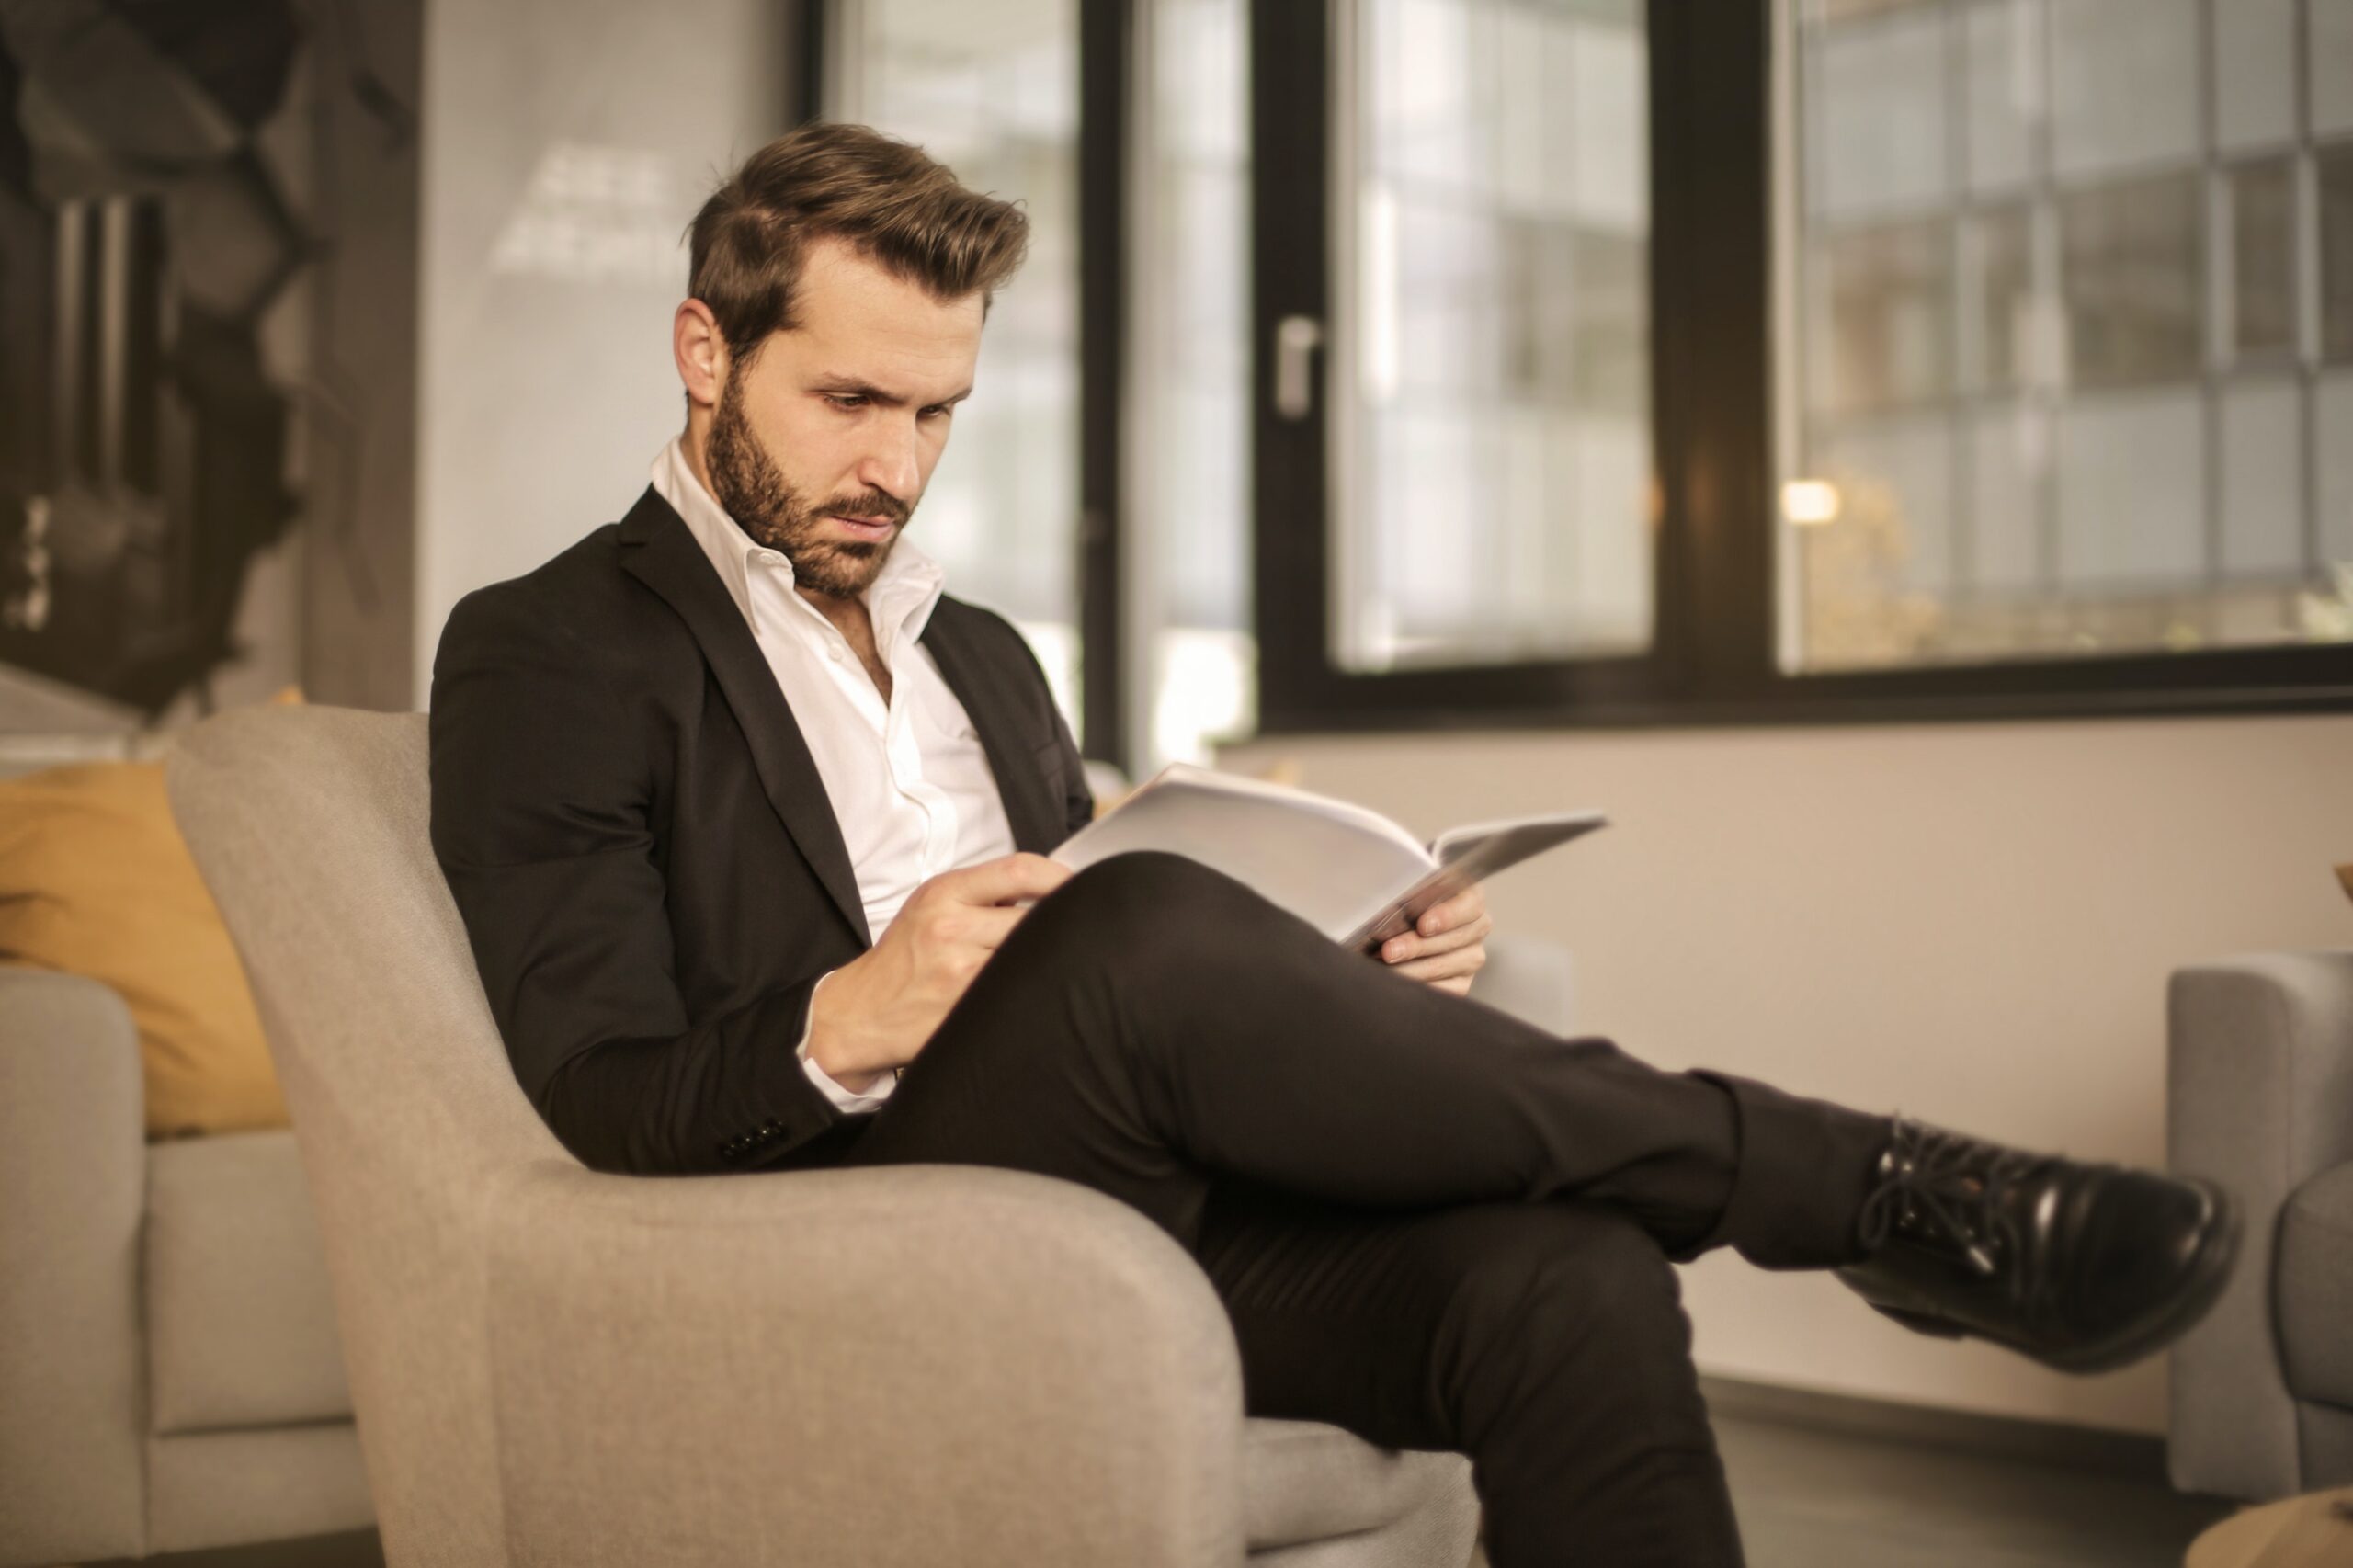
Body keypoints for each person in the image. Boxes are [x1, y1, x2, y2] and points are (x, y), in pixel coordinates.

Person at [426, 122, 2239, 1568]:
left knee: (1566, 1278)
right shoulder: (553, 645)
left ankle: (1834, 1197)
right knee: (1133, 926)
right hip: (840, 1227)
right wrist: (858, 1006)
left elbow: (1092, 962)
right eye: (846, 402)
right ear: (702, 350)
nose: (892, 467)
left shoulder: (973, 645)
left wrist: (1341, 957)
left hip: (1133, 1195)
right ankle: (1861, 1192)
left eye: (934, 415)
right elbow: (598, 1083)